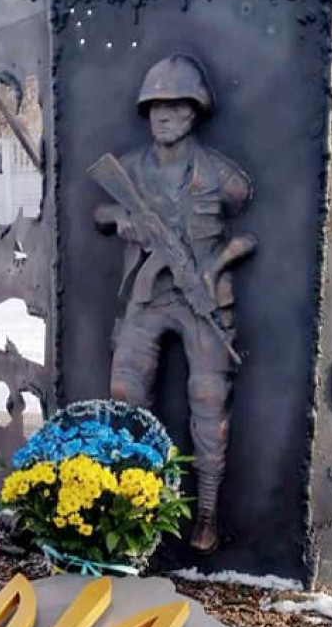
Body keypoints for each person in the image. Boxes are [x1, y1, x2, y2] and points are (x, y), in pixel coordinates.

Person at [93, 55, 257, 554]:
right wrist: (122, 219)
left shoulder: (222, 176)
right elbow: (101, 211)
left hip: (202, 298)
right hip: (148, 297)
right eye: (154, 107)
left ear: (195, 111)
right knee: (124, 390)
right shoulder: (131, 168)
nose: (163, 116)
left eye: (175, 106)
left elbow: (246, 228)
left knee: (208, 401)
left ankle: (205, 511)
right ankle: (140, 502)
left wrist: (216, 265)